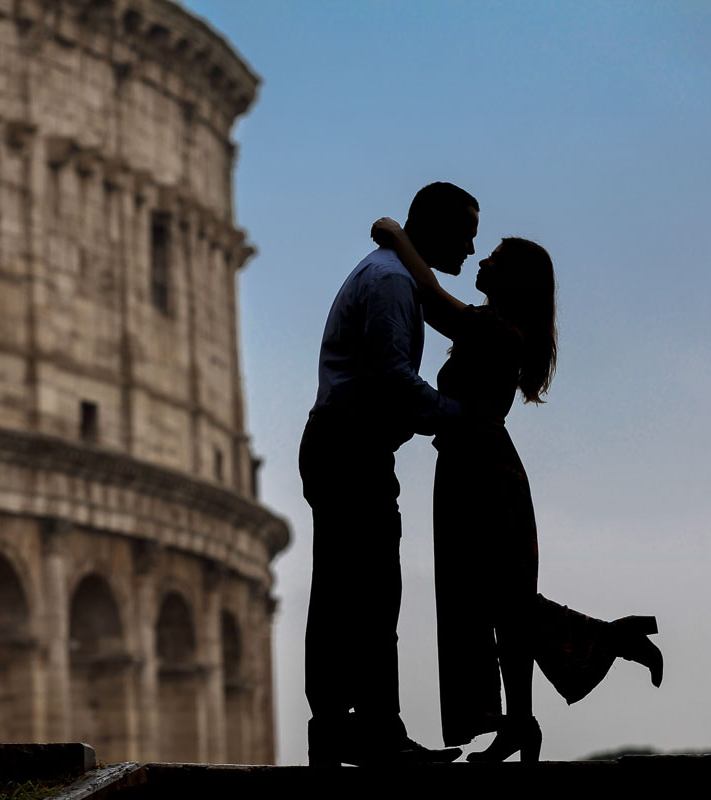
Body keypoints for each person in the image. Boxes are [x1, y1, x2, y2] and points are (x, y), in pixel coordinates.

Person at [370, 217, 663, 762]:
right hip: (471, 470)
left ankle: (596, 654)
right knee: (498, 603)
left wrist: (395, 234)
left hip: (482, 475)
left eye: (495, 260)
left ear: (513, 282)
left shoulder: (500, 333)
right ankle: (526, 717)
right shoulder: (497, 329)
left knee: (499, 602)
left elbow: (432, 300)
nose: (481, 260)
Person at [301, 182, 480, 766]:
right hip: (351, 446)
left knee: (347, 592)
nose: (472, 250)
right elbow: (394, 378)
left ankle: (343, 726)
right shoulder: (394, 282)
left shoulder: (391, 274)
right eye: (466, 234)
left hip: (344, 444)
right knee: (370, 594)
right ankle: (373, 729)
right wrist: (458, 418)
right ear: (438, 228)